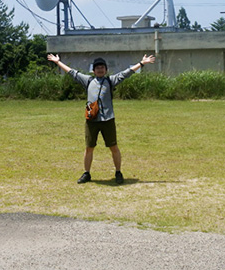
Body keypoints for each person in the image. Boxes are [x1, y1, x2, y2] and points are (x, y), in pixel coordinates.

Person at [47, 52, 156, 184]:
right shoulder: (88, 80)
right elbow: (72, 72)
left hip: (108, 120)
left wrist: (141, 63)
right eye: (97, 68)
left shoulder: (110, 81)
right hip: (91, 120)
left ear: (105, 70)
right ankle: (86, 173)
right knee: (89, 147)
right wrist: (58, 62)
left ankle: (118, 172)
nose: (100, 69)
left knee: (113, 147)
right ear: (93, 70)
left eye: (102, 67)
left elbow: (126, 73)